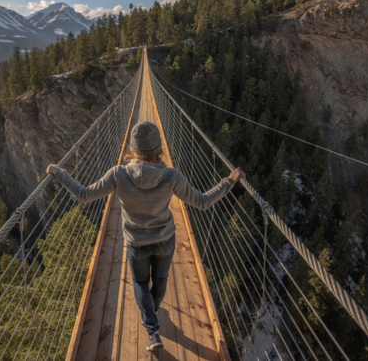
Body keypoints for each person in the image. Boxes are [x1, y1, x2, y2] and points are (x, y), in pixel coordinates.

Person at [46, 121, 245, 351]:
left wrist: (60, 173)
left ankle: (153, 332)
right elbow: (202, 202)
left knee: (140, 283)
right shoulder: (172, 176)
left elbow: (83, 195)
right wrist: (228, 181)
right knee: (160, 281)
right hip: (164, 241)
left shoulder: (118, 174)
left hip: (136, 244)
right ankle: (153, 308)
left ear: (132, 149)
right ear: (159, 148)